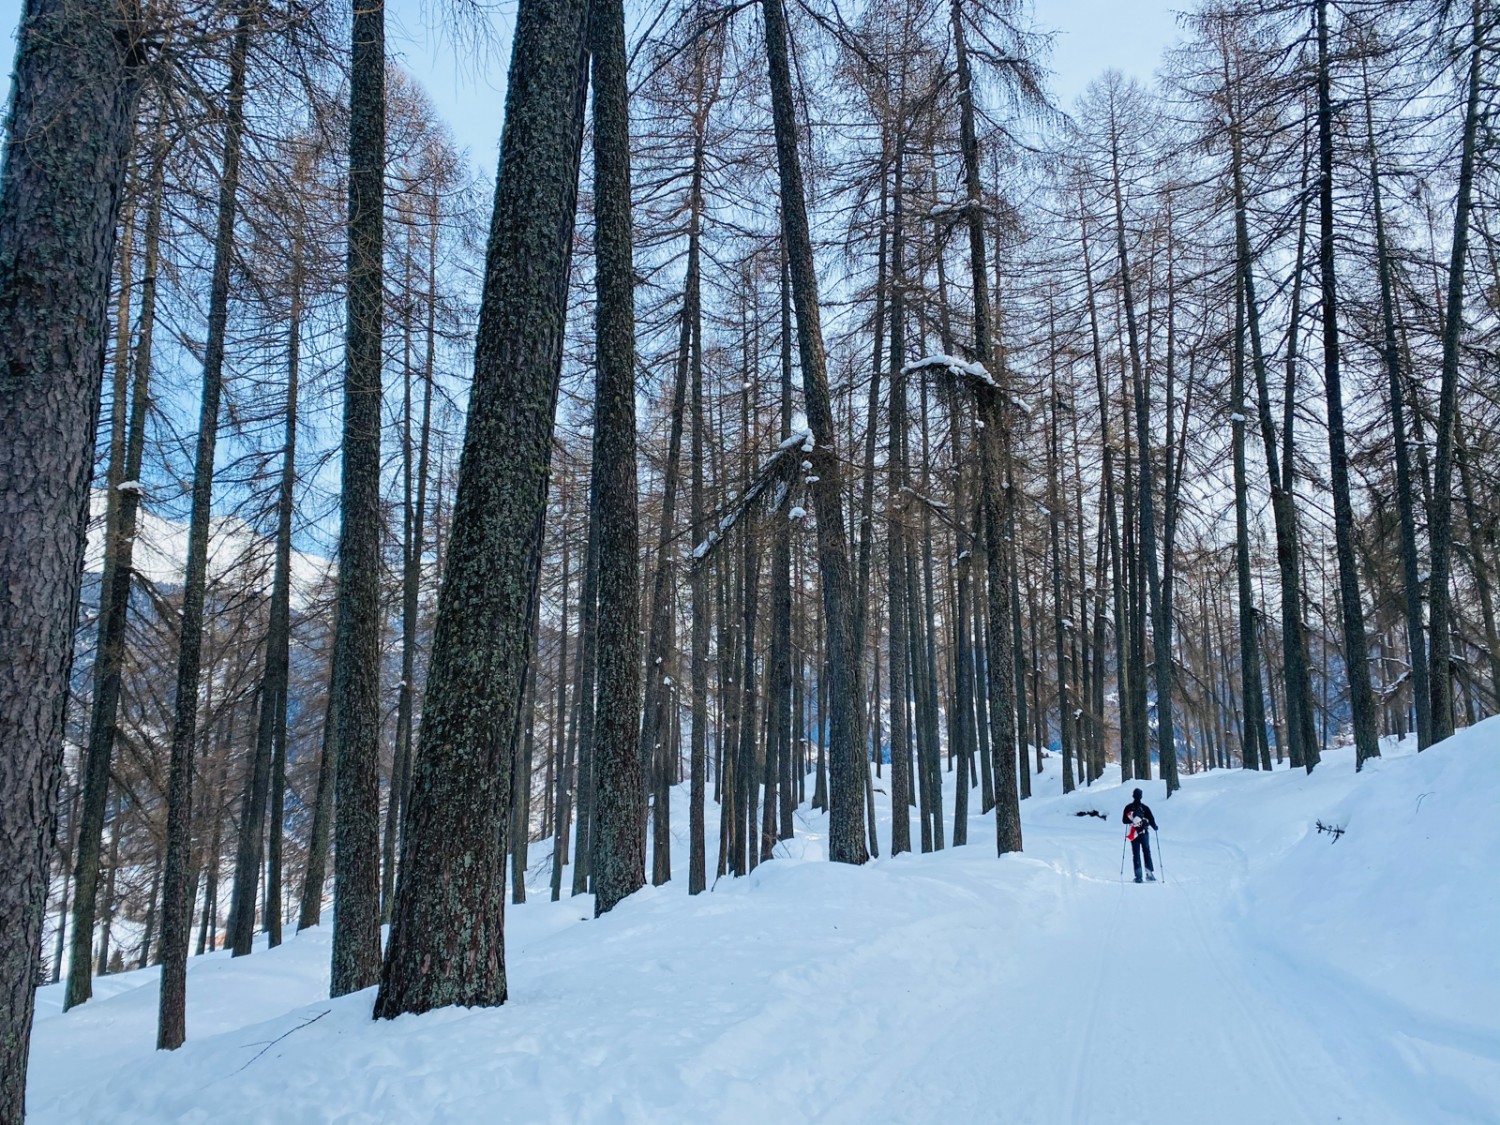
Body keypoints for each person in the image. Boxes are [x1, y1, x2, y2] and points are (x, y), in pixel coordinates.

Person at [1122, 787, 1158, 883]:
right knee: (1146, 851)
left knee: (1136, 853)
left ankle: (1138, 876)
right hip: (1144, 833)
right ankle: (1149, 873)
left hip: (1134, 833)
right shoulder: (1145, 808)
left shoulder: (1128, 807)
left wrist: (1132, 820)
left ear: (1133, 796)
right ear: (1141, 796)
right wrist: (1155, 827)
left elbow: (1124, 821)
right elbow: (1151, 820)